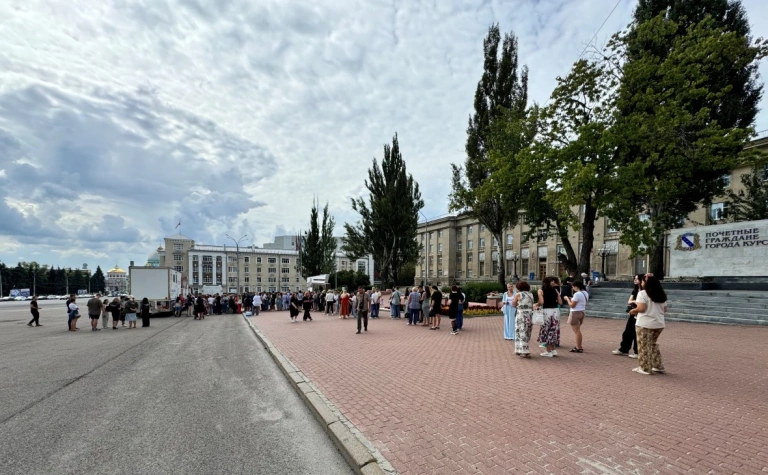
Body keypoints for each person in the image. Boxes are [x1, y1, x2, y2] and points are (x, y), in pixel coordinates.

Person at [629, 274, 667, 375]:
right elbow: (665, 309)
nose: (641, 283)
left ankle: (645, 368)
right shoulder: (661, 294)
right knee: (652, 344)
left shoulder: (643, 293)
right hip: (659, 323)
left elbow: (641, 308)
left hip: (645, 323)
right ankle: (658, 365)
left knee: (643, 346)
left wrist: (633, 311)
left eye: (642, 281)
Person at [613, 274, 643, 358]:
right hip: (633, 312)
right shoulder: (635, 290)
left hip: (640, 313)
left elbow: (641, 303)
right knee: (628, 331)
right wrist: (637, 302)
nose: (635, 280)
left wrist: (636, 302)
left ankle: (637, 352)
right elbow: (629, 301)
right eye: (635, 278)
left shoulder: (645, 291)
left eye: (637, 279)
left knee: (637, 333)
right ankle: (624, 349)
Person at [536, 277, 562, 357]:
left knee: (546, 329)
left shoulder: (541, 290)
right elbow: (560, 302)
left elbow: (542, 302)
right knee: (554, 329)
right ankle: (553, 350)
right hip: (555, 311)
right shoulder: (555, 290)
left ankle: (548, 351)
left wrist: (537, 304)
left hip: (547, 311)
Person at [564, 280, 588, 353]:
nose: (572, 288)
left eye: (573, 287)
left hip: (575, 312)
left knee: (577, 331)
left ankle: (579, 347)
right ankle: (578, 345)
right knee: (578, 330)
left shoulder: (577, 294)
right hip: (582, 312)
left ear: (576, 286)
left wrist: (567, 299)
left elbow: (572, 305)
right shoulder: (585, 293)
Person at [512, 281, 534, 358]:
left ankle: (523, 351)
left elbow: (514, 304)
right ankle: (522, 349)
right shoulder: (530, 294)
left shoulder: (519, 294)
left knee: (520, 332)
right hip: (529, 315)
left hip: (521, 315)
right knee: (527, 332)